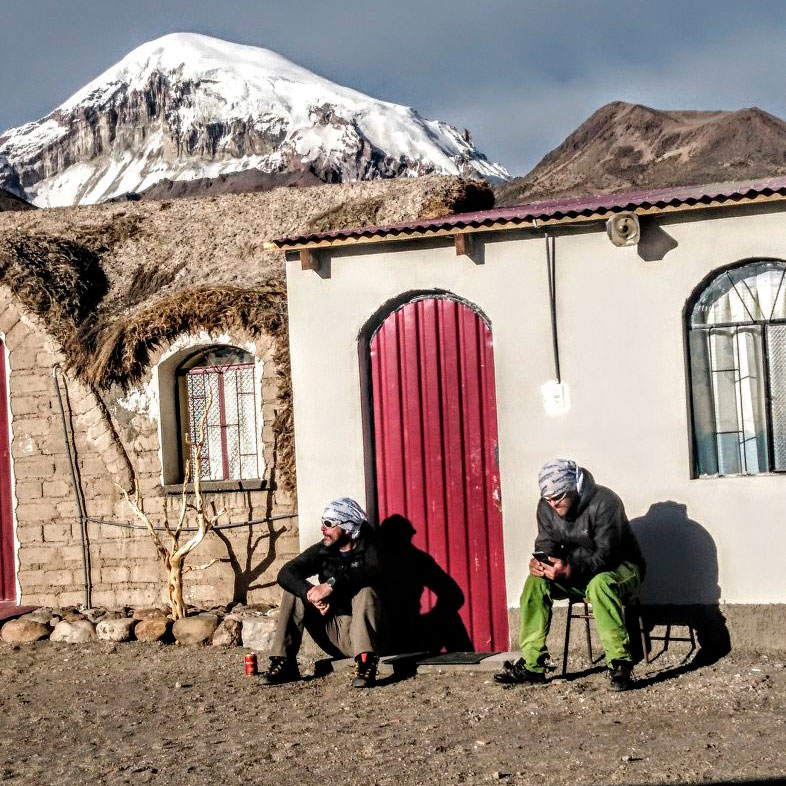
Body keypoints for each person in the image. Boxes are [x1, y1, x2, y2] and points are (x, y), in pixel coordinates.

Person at [495, 459, 646, 692]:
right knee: (535, 583)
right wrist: (541, 563)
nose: (553, 503)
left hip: (621, 568)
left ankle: (620, 664)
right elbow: (547, 543)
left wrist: (570, 569)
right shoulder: (545, 507)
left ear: (575, 487)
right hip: (576, 571)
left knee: (600, 584)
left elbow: (607, 554)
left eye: (559, 496)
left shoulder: (605, 502)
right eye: (548, 498)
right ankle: (534, 665)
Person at [260, 497, 386, 688]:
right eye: (322, 522)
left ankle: (366, 665)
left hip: (372, 635)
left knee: (366, 591)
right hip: (335, 631)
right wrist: (310, 592)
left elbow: (371, 569)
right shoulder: (323, 551)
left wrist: (330, 586)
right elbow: (286, 573)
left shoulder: (373, 547)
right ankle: (285, 663)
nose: (322, 528)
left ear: (347, 527)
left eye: (329, 523)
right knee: (295, 591)